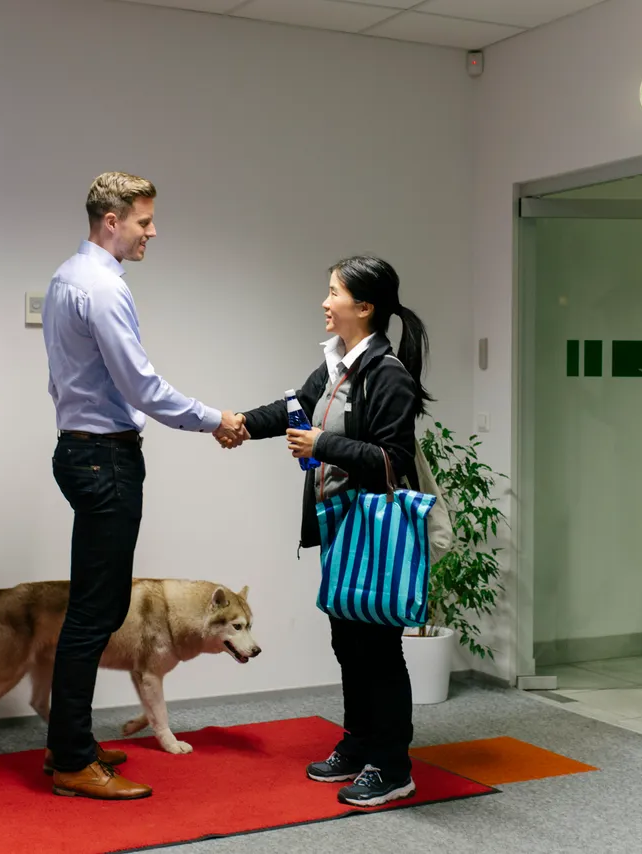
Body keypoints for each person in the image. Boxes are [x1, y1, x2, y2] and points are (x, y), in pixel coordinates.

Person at [41, 171, 246, 800]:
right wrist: (218, 420)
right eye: (144, 221)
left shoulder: (65, 278)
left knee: (94, 608)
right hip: (104, 460)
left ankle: (71, 742)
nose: (151, 232)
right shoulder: (102, 289)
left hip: (81, 454)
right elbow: (142, 387)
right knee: (94, 613)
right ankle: (72, 759)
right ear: (112, 220)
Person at [226, 255, 432, 807]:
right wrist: (242, 424)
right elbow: (295, 407)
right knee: (348, 643)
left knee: (378, 650)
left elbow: (393, 459)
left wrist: (322, 445)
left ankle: (393, 765)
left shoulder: (387, 374)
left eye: (334, 292)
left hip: (372, 531)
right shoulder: (338, 365)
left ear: (364, 307)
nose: (325, 301)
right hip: (340, 524)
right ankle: (360, 743)